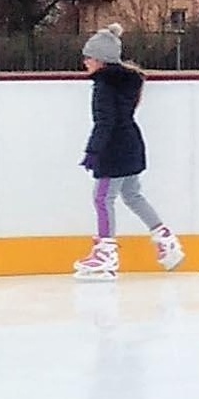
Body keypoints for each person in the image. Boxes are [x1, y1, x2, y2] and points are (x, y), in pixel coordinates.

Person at [73, 25, 183, 278]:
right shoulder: (126, 82)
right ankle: (165, 240)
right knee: (132, 195)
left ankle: (106, 253)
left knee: (103, 198)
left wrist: (94, 151)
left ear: (100, 59)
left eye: (88, 58)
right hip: (131, 143)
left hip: (114, 148)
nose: (85, 63)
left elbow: (105, 121)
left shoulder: (104, 85)